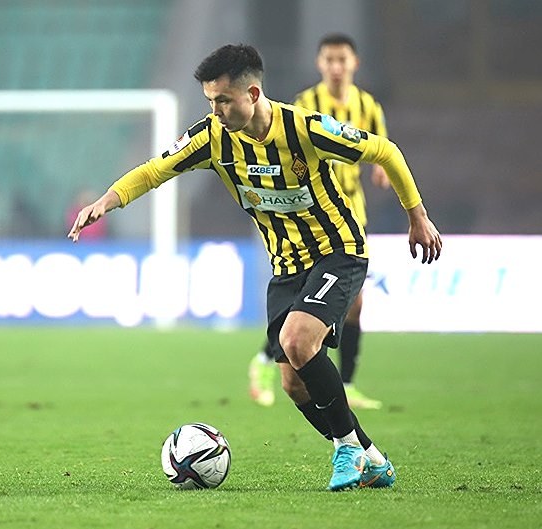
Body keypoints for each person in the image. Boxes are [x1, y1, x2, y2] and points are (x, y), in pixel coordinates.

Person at [68, 44, 441, 491]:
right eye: (211, 101)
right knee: (293, 383)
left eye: (224, 100)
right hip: (286, 266)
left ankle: (346, 449)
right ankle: (372, 458)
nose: (216, 111)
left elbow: (385, 151)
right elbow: (153, 171)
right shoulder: (213, 137)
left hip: (338, 251)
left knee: (297, 340)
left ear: (253, 93)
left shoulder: (304, 128)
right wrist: (106, 201)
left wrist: (417, 216)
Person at [249, 33, 390, 410]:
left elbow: (379, 148)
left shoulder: (368, 106)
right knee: (307, 304)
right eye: (329, 59)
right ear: (320, 64)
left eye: (342, 59)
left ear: (354, 63)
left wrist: (381, 170)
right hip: (312, 219)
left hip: (352, 214)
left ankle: (347, 382)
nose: (336, 66)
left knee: (353, 302)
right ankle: (265, 360)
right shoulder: (305, 105)